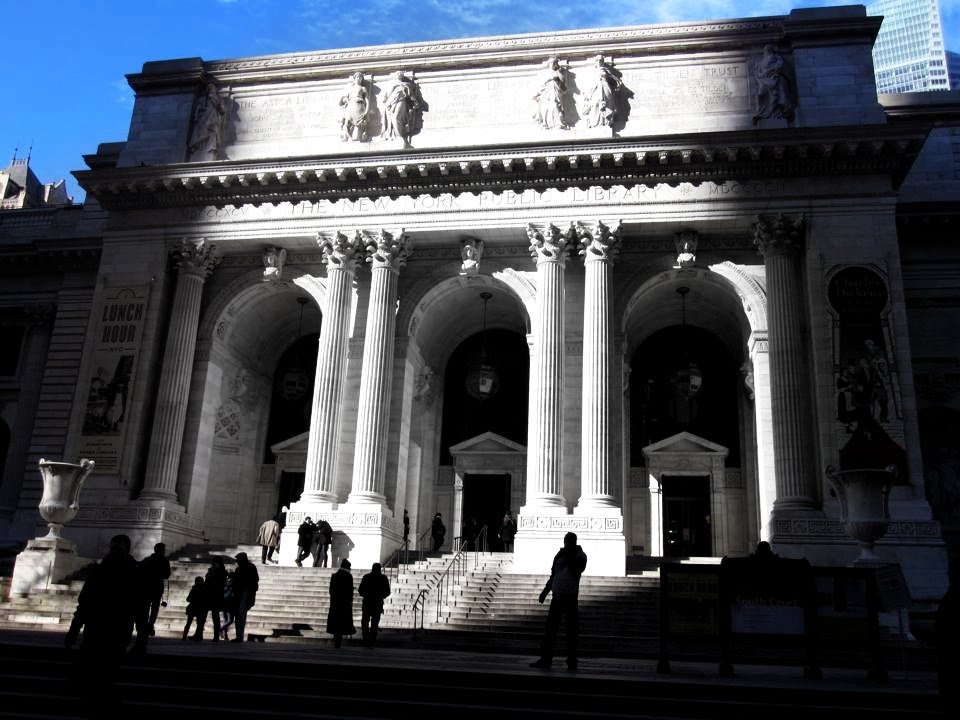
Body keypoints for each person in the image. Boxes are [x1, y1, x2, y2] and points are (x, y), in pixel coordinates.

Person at [63, 534, 139, 713]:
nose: (114, 552)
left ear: (127, 551)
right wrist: (74, 630)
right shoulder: (98, 572)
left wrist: (139, 633)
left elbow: (137, 605)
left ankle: (99, 706)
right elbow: (84, 603)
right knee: (93, 670)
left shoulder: (133, 574)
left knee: (107, 672)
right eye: (113, 548)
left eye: (118, 549)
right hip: (96, 629)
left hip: (117, 630)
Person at [529, 531, 588, 671]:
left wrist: (568, 555)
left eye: (568, 541)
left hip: (570, 597)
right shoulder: (559, 555)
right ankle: (546, 659)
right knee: (550, 630)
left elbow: (577, 570)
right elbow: (553, 575)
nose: (566, 544)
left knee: (571, 631)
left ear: (573, 542)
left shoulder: (580, 555)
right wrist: (545, 591)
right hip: (557, 596)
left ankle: (572, 661)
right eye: (565, 541)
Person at [135, 542, 170, 646]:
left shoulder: (148, 560)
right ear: (162, 550)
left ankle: (145, 625)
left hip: (146, 588)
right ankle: (150, 625)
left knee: (146, 608)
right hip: (157, 588)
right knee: (154, 608)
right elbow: (167, 575)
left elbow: (139, 570)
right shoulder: (164, 561)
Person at [381, 70, 426, 147]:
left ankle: (400, 136)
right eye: (397, 74)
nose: (399, 75)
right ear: (395, 76)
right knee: (393, 118)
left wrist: (415, 101)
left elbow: (411, 95)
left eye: (400, 74)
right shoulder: (392, 84)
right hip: (391, 103)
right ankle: (399, 136)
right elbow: (386, 96)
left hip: (401, 101)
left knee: (396, 117)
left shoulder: (406, 84)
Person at [752, 44, 795, 125]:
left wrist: (772, 71)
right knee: (760, 95)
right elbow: (758, 72)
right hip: (764, 80)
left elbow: (780, 65)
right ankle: (762, 112)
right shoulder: (761, 62)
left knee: (776, 92)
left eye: (768, 49)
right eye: (766, 49)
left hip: (774, 78)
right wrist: (760, 74)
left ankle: (775, 112)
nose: (767, 50)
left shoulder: (776, 57)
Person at [188, 82, 228, 158]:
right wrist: (196, 115)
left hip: (213, 116)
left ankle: (212, 149)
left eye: (212, 89)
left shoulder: (218, 99)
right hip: (204, 117)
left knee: (213, 130)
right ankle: (197, 149)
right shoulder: (203, 99)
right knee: (201, 131)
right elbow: (198, 110)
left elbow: (223, 110)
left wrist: (215, 101)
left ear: (215, 91)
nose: (211, 91)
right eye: (209, 89)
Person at [582, 54, 622, 128]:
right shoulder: (592, 72)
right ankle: (595, 123)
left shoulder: (606, 70)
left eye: (601, 60)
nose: (599, 61)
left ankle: (606, 121)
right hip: (595, 89)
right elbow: (588, 83)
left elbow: (616, 80)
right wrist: (587, 94)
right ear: (595, 62)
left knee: (607, 103)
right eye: (597, 60)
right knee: (595, 103)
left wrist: (616, 85)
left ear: (603, 62)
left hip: (605, 87)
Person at [358, 563, 392, 647]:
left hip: (367, 602)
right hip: (377, 603)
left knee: (365, 622)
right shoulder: (383, 578)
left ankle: (366, 639)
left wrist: (366, 595)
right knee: (375, 623)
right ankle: (372, 641)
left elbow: (360, 590)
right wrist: (381, 596)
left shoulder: (366, 577)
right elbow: (387, 591)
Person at [327, 559, 356, 648]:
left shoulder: (334, 576)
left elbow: (331, 590)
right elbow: (350, 592)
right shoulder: (348, 576)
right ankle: (339, 642)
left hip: (335, 603)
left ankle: (336, 640)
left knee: (335, 623)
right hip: (345, 604)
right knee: (342, 623)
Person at [533, 56, 568, 130]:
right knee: (545, 108)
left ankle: (557, 123)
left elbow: (563, 84)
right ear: (548, 63)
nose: (553, 64)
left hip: (555, 93)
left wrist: (558, 72)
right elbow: (541, 85)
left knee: (554, 106)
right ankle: (545, 123)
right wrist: (537, 94)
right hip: (545, 94)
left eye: (554, 62)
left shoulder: (558, 73)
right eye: (551, 62)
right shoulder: (544, 73)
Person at [231, 552, 259, 642]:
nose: (237, 562)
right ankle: (239, 635)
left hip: (245, 593)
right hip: (239, 594)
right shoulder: (239, 569)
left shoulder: (250, 567)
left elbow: (254, 580)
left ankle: (239, 636)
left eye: (238, 560)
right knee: (239, 615)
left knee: (241, 615)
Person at [199, 556, 227, 642]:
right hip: (208, 595)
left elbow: (219, 584)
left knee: (215, 617)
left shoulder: (223, 572)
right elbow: (207, 580)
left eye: (216, 563)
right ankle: (198, 634)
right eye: (214, 563)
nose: (214, 565)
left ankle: (216, 636)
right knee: (202, 615)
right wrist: (210, 575)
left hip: (217, 596)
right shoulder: (211, 571)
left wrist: (212, 576)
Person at [339, 72, 371, 142]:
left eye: (360, 78)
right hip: (350, 106)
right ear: (354, 78)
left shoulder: (363, 88)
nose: (359, 79)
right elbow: (342, 100)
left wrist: (366, 111)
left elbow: (367, 101)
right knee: (347, 122)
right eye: (357, 77)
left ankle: (360, 137)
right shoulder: (350, 89)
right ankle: (347, 136)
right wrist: (345, 100)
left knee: (359, 122)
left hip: (359, 105)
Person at [182, 576, 206, 641]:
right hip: (200, 608)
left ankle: (184, 636)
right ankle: (199, 636)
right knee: (199, 623)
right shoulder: (204, 590)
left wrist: (193, 600)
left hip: (192, 607)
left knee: (188, 623)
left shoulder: (194, 588)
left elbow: (188, 599)